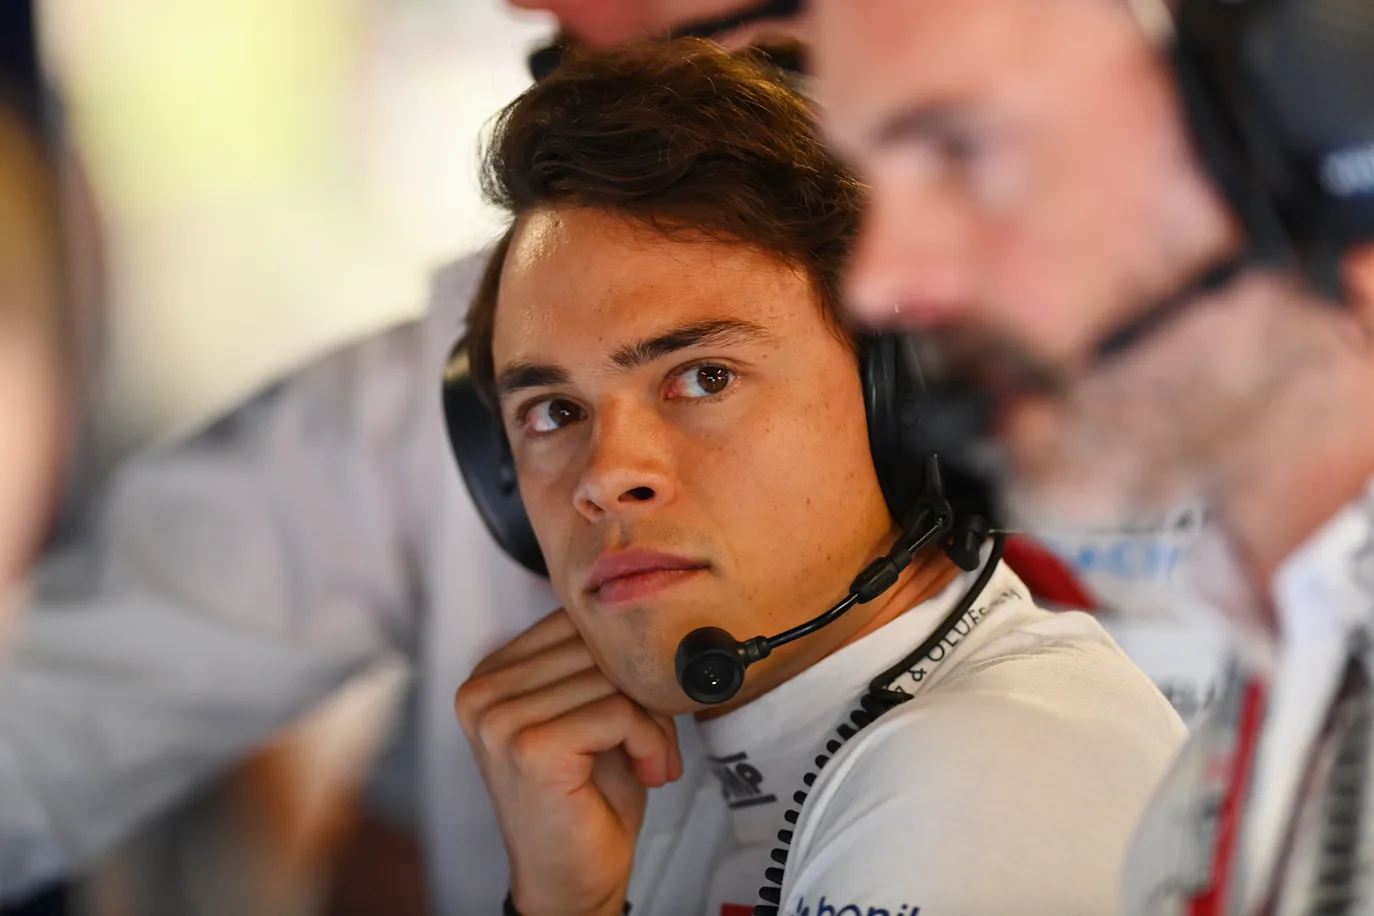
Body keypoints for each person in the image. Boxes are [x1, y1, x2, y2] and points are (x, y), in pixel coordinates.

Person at [513, 0, 1374, 912]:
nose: (886, 284)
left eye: (968, 152)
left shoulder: (1027, 748)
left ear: (1311, 145)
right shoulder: (1284, 656)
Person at [453, 39, 1184, 916]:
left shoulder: (988, 768)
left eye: (704, 377)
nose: (606, 478)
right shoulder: (658, 769)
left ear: (913, 399)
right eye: (554, 414)